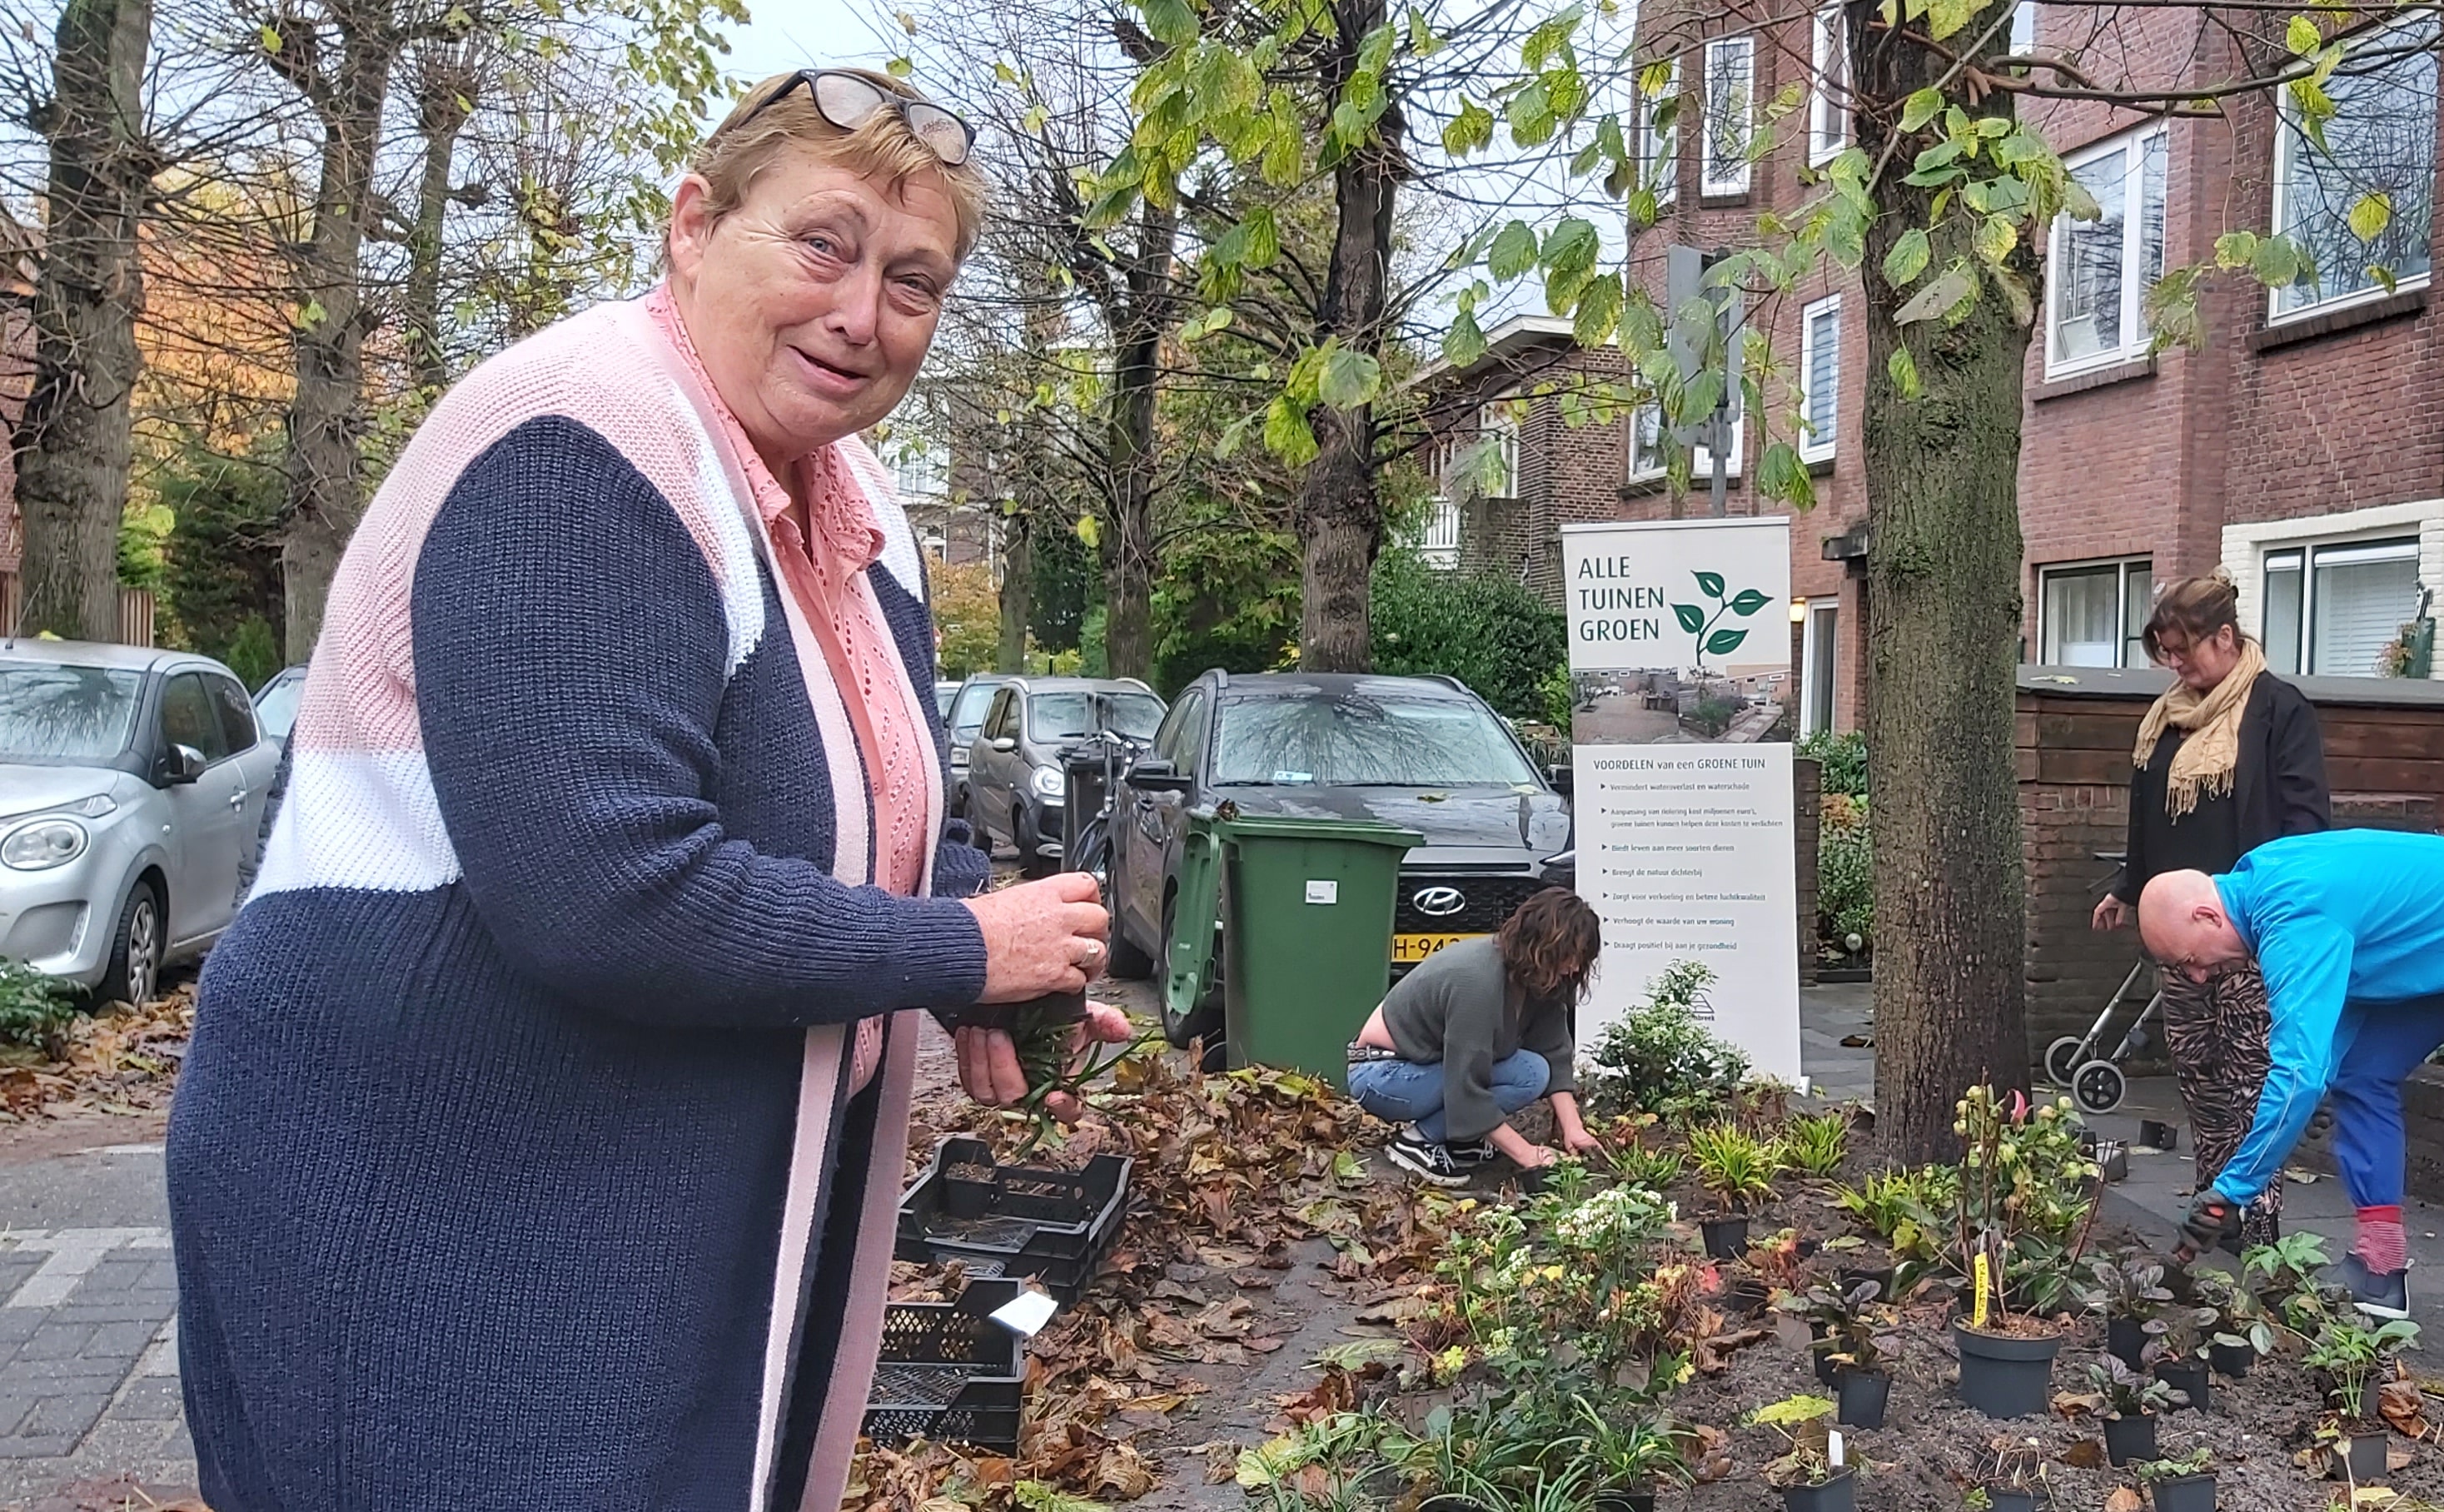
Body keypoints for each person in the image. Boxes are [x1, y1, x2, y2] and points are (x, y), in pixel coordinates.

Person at [164, 70, 1126, 1512]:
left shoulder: (849, 505)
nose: (861, 313)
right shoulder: (583, 440)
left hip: (622, 1198)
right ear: (693, 225)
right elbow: (607, 893)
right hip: (440, 1202)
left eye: (911, 280)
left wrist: (974, 958)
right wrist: (957, 948)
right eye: (823, 244)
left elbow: (859, 806)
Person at [2135, 831, 2444, 1373]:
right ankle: (2380, 1272)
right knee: (2361, 1074)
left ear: (2208, 917)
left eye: (2189, 960)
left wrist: (2234, 1187)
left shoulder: (2293, 918)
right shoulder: (2260, 882)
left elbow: (2298, 1078)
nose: (2196, 976)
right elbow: (2335, 1028)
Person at [2089, 571, 2327, 1249]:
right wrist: (2128, 889)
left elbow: (2308, 823)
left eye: (2183, 649)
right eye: (2165, 652)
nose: (2174, 664)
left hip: (2249, 929)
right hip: (2181, 932)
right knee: (2196, 1068)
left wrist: (2281, 913)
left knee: (2252, 1070)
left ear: (2225, 637)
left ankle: (2258, 1210)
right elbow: (2149, 818)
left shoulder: (2279, 710)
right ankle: (2212, 1197)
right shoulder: (2165, 718)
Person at [1350, 887, 1607, 1186]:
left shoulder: (1536, 977)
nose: (1574, 967)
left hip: (1429, 1070)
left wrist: (1573, 1128)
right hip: (1382, 1076)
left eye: (1581, 959)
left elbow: (1554, 1052)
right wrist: (1527, 1154)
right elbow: (1466, 1086)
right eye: (1569, 956)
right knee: (1495, 1080)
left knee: (1533, 1072)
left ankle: (1462, 1138)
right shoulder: (1477, 981)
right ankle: (1417, 1143)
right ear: (1542, 947)